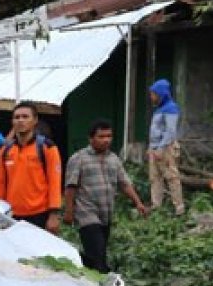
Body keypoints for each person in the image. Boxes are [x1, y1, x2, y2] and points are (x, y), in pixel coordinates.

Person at [64, 120, 148, 273]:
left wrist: (138, 203)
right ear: (91, 139)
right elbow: (71, 187)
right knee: (98, 252)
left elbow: (124, 183)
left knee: (97, 252)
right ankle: (101, 281)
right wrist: (69, 212)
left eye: (109, 136)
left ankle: (79, 263)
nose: (106, 140)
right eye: (101, 136)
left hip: (106, 214)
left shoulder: (113, 159)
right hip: (86, 213)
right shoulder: (79, 158)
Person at [0, 102, 63, 234]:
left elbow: (55, 182)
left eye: (25, 117)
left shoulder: (47, 147)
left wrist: (54, 214)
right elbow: (0, 184)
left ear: (35, 120)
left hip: (40, 214)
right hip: (12, 215)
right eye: (17, 117)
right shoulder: (6, 150)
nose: (21, 121)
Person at [147, 79, 186, 216]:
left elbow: (170, 131)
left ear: (161, 94)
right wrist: (152, 148)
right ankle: (156, 206)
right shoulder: (159, 109)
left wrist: (160, 148)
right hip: (155, 148)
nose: (151, 97)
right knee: (155, 178)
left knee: (171, 177)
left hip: (166, 148)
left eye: (153, 94)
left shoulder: (171, 108)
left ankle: (179, 209)